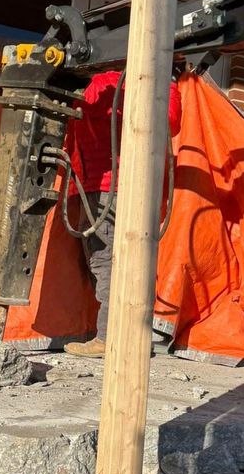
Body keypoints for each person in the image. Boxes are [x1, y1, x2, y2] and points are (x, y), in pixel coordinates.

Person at [63, 69, 182, 358]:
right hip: (114, 185)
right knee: (116, 262)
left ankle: (109, 338)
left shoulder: (101, 83)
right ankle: (125, 334)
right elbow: (171, 121)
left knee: (106, 261)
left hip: (104, 187)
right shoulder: (156, 83)